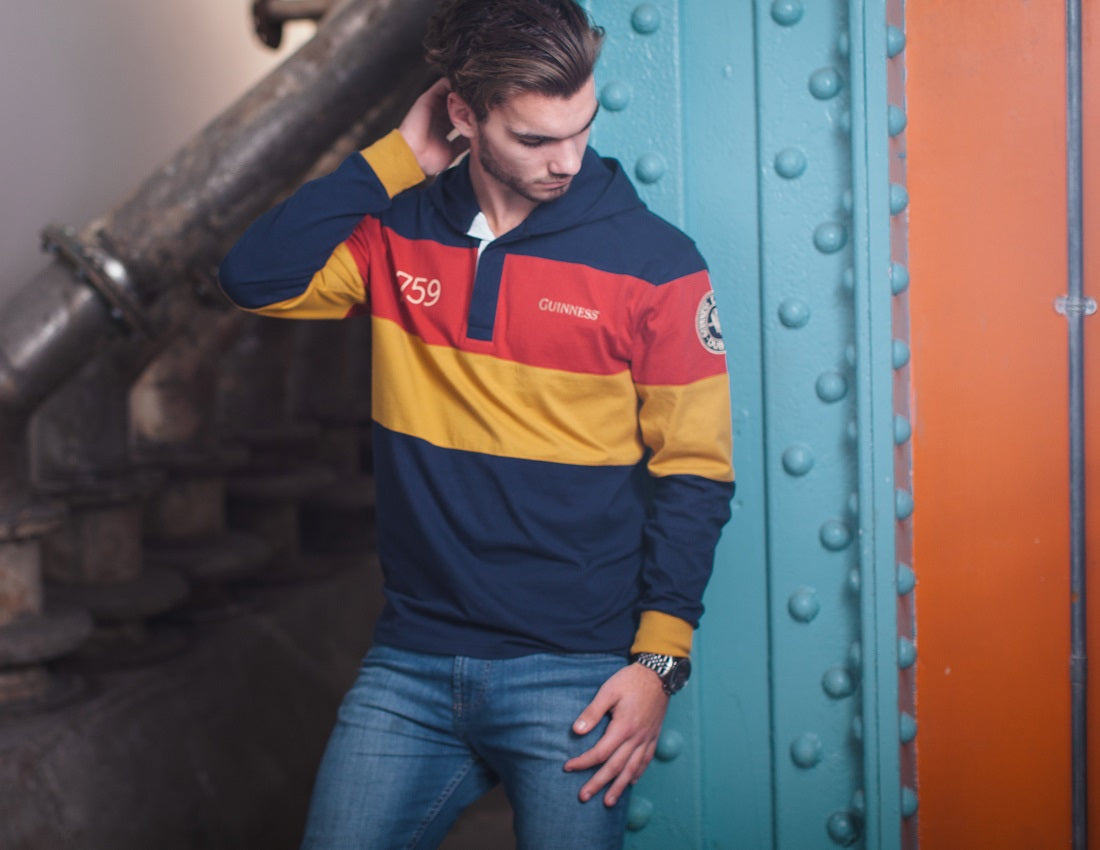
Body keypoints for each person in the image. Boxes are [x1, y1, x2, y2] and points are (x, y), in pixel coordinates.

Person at [218, 1, 734, 846]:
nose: (567, 161)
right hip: (410, 663)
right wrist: (395, 162)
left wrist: (658, 664)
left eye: (581, 128)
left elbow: (697, 473)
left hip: (573, 673)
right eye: (535, 140)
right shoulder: (395, 236)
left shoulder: (658, 266)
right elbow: (252, 277)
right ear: (463, 113)